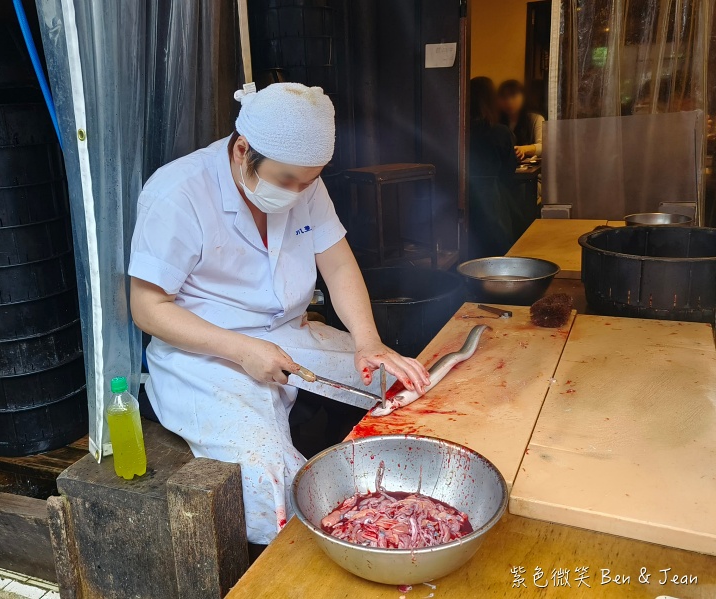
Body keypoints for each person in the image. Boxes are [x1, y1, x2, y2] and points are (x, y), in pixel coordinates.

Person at [128, 82, 429, 545]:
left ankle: (411, 512)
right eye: (287, 180)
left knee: (399, 385)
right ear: (242, 150)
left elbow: (338, 261)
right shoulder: (177, 193)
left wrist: (368, 340)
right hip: (206, 352)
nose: (297, 192)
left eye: (308, 182)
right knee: (271, 483)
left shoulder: (304, 182)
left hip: (288, 333)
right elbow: (147, 307)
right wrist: (242, 349)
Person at [468, 76, 519, 258]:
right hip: (492, 203)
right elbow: (508, 173)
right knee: (498, 254)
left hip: (462, 202)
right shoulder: (500, 132)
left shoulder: (459, 132)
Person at [497, 79, 544, 161]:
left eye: (513, 96)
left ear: (523, 97)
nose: (509, 101)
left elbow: (543, 147)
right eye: (504, 97)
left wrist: (523, 149)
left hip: (530, 170)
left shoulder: (535, 119)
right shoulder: (496, 122)